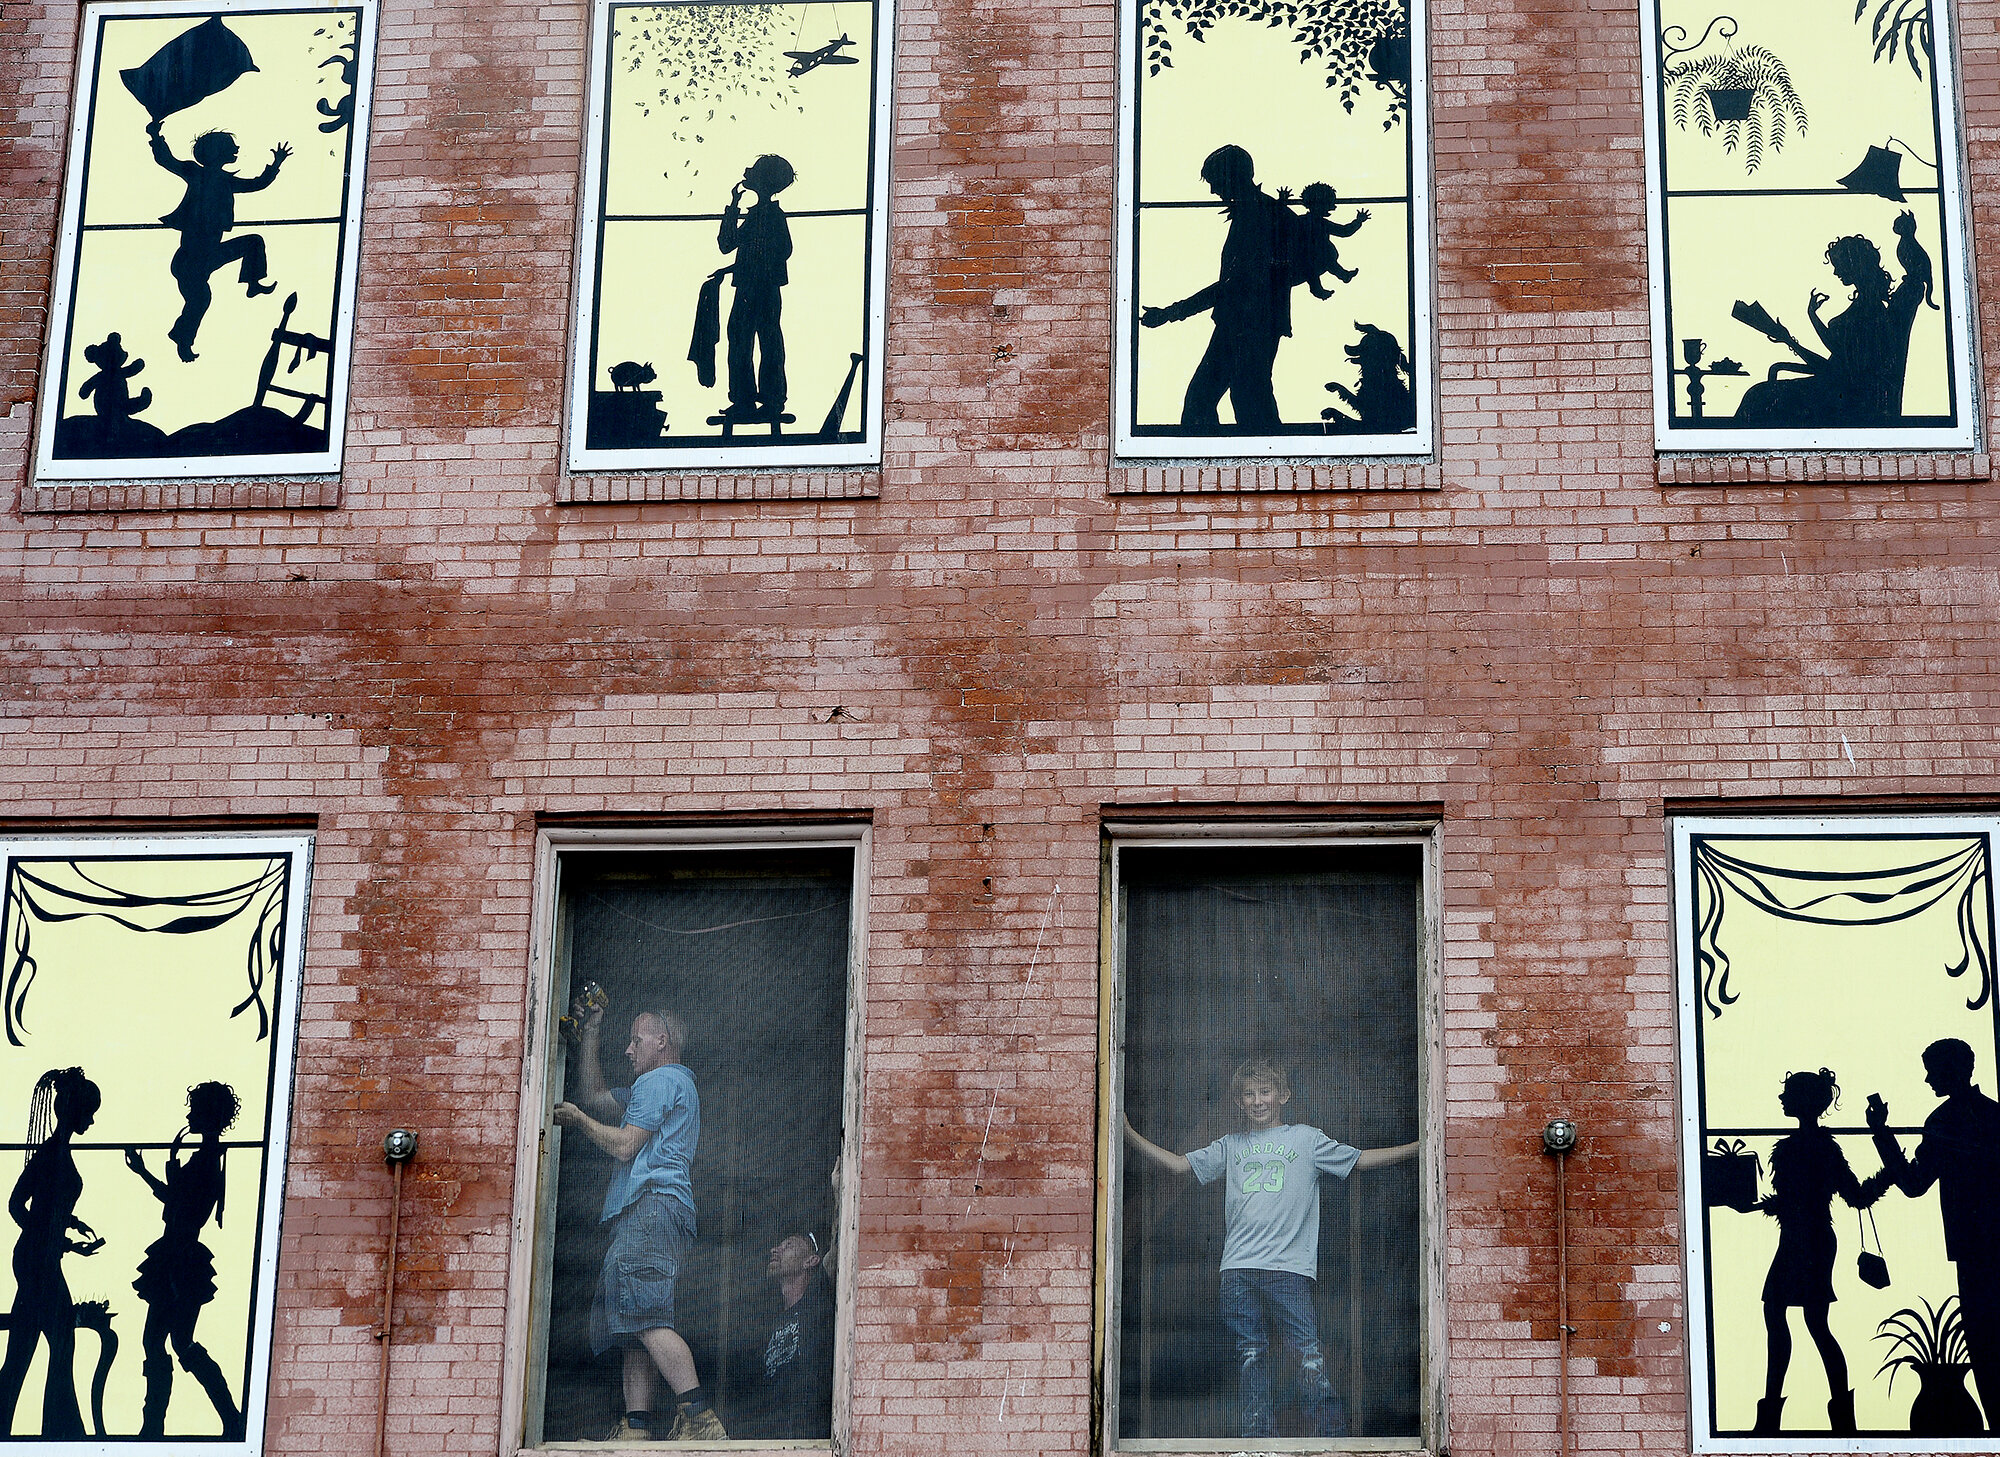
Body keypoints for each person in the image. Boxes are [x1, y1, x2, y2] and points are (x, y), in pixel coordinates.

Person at [1123, 1057, 1417, 1438]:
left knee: (1307, 1355)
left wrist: (1420, 1145)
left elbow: (1360, 1160)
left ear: (1282, 1095)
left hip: (1288, 1269)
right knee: (1251, 1355)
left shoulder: (1306, 1139)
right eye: (1248, 1094)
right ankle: (1254, 1438)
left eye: (1264, 1092)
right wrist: (1127, 1132)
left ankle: (1330, 1439)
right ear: (1239, 1101)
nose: (1257, 1100)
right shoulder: (1230, 1145)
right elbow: (1180, 1166)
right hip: (1238, 1269)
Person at [554, 1001, 727, 1443]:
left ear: (661, 1041)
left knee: (647, 1316)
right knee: (634, 1325)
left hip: (650, 1209)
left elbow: (625, 1146)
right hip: (651, 1212)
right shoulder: (661, 1086)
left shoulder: (659, 1080)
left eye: (636, 1040)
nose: (628, 1050)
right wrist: (590, 1032)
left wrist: (575, 1118)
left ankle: (699, 1417)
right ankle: (637, 1428)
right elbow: (596, 1096)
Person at [1867, 1038, 2000, 1428]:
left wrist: (1881, 1133)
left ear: (1951, 1070)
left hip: (1974, 1251)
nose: (1926, 1079)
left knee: (1987, 1352)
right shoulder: (1993, 1114)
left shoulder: (1942, 1121)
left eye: (1931, 1070)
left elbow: (1912, 1183)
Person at [1748, 1068, 1885, 1436]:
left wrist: (1763, 1205)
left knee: (1789, 1318)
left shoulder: (1802, 1148)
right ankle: (1839, 1418)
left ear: (1801, 1101)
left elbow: (1804, 1200)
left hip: (1804, 1240)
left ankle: (1772, 1419)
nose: (1781, 1098)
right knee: (1807, 1322)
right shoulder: (1820, 1147)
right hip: (1808, 1239)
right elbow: (1855, 1195)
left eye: (1787, 1093)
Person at [1140, 145, 1304, 432]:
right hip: (1245, 322)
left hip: (1248, 324)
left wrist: (1170, 313)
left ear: (1231, 177)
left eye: (1216, 181)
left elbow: (1230, 287)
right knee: (1234, 401)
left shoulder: (1256, 216)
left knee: (1223, 402)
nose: (1214, 191)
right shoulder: (1257, 212)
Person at [126, 1081, 244, 1439]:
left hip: (179, 1255)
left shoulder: (207, 1158)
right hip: (178, 1253)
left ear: (207, 1114)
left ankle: (155, 1428)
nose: (189, 1114)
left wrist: (150, 1173)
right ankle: (225, 1417)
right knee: (176, 1342)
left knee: (164, 1341)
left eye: (194, 1109)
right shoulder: (207, 1155)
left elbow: (183, 1207)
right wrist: (144, 1172)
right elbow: (175, 1201)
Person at [1735, 225, 1928, 429]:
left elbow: (1837, 364)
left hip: (1849, 402)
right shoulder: (1865, 306)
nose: (1836, 272)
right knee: (1759, 396)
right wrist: (1793, 334)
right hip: (1838, 391)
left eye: (1840, 265)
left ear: (1855, 266)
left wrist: (1800, 330)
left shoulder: (1870, 311)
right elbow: (1835, 359)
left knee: (1759, 398)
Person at [0, 1068, 104, 1438]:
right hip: (35, 1260)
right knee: (60, 1339)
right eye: (88, 1112)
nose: (91, 1120)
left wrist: (69, 1230)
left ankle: (48, 1429)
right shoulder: (50, 1154)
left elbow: (48, 1207)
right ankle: (61, 1432)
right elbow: (17, 1204)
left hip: (41, 1256)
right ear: (73, 1111)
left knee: (24, 1348)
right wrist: (54, 1239)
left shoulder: (57, 1152)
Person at [146, 120, 289, 361]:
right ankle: (182, 340)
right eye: (231, 147)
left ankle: (252, 284)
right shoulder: (195, 172)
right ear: (217, 152)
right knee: (200, 300)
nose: (236, 150)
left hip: (209, 254)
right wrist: (156, 137)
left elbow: (257, 184)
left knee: (253, 241)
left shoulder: (227, 181)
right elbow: (166, 161)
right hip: (191, 259)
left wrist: (275, 165)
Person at [716, 155, 795, 424]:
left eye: (753, 170)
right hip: (756, 285)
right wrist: (734, 207)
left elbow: (782, 250)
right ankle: (752, 399)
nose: (746, 171)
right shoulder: (760, 214)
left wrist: (755, 260)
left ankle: (757, 400)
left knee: (754, 340)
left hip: (758, 287)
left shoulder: (769, 214)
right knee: (750, 339)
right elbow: (729, 245)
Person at [734, 1226, 834, 1440]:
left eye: (788, 1246)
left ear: (811, 1260)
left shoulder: (818, 1300)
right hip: (772, 1436)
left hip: (809, 1436)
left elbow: (843, 1243)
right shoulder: (769, 1322)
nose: (775, 1250)